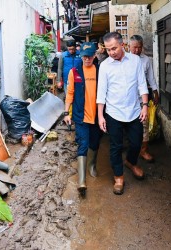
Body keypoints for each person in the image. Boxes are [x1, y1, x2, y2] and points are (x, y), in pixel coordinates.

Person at [96, 32, 149, 195]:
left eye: (114, 48)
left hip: (134, 110)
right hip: (113, 112)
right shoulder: (105, 66)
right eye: (108, 49)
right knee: (116, 146)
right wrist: (100, 115)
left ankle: (131, 162)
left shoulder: (135, 61)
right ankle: (118, 177)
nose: (111, 52)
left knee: (136, 142)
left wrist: (145, 105)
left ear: (123, 45)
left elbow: (141, 83)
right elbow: (101, 92)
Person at [63, 42, 102, 195]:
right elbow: (70, 93)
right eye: (84, 56)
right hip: (80, 115)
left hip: (97, 115)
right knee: (83, 143)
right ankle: (82, 180)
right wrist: (67, 113)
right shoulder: (74, 71)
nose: (87, 59)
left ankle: (92, 165)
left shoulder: (99, 70)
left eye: (90, 56)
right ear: (81, 56)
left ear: (94, 55)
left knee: (95, 142)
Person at [129, 35, 159, 162]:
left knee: (144, 125)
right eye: (134, 47)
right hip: (128, 100)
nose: (137, 50)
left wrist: (155, 91)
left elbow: (151, 78)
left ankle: (143, 150)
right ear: (128, 46)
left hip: (142, 100)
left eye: (139, 47)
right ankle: (132, 150)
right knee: (130, 126)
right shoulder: (124, 59)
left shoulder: (146, 60)